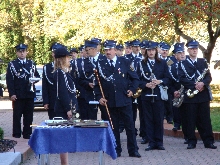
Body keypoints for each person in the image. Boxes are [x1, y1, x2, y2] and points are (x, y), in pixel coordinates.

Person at [94, 40, 141, 158]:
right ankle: (116, 149)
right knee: (113, 127)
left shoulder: (125, 62)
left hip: (125, 99)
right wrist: (99, 97)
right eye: (106, 50)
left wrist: (132, 90)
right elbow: (97, 84)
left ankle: (133, 150)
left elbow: (135, 79)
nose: (108, 52)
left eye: (110, 50)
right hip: (110, 101)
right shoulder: (100, 64)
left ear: (115, 50)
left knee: (130, 126)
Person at [178, 39, 217, 149]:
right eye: (192, 48)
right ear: (188, 50)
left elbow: (209, 77)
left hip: (203, 95)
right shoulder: (182, 63)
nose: (194, 50)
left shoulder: (203, 62)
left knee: (205, 120)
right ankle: (191, 141)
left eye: (196, 48)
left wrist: (203, 84)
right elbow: (181, 78)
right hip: (190, 96)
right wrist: (194, 85)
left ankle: (208, 141)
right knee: (190, 120)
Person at [136, 41, 169, 151]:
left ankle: (159, 142)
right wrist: (146, 84)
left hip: (158, 94)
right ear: (146, 51)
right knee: (148, 119)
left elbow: (168, 78)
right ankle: (151, 142)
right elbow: (137, 80)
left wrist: (159, 81)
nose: (151, 52)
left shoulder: (162, 63)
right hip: (146, 94)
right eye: (149, 50)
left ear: (156, 51)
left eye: (153, 50)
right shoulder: (141, 64)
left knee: (158, 119)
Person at [6, 43, 40, 139]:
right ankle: (16, 134)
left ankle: (27, 133)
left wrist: (35, 79)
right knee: (17, 115)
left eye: (23, 51)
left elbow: (37, 76)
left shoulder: (31, 63)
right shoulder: (12, 64)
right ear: (17, 53)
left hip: (29, 94)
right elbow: (10, 80)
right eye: (20, 51)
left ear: (26, 52)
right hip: (18, 94)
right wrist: (12, 93)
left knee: (29, 116)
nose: (22, 53)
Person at [53, 47, 77, 165]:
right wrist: (68, 109)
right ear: (62, 59)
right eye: (67, 57)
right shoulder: (59, 73)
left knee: (66, 138)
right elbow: (62, 92)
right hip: (63, 110)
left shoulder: (65, 73)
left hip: (68, 108)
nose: (69, 60)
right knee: (63, 138)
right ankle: (64, 163)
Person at [79, 40, 108, 120]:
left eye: (87, 50)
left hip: (103, 94)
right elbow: (80, 79)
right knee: (90, 120)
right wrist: (88, 84)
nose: (86, 52)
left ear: (93, 49)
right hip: (90, 95)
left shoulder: (104, 59)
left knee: (106, 118)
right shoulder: (83, 63)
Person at [42, 42, 63, 119]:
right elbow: (45, 86)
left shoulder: (67, 67)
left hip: (64, 102)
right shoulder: (47, 67)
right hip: (52, 101)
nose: (55, 54)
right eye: (54, 52)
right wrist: (46, 101)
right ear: (52, 54)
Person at [158, 42, 173, 124]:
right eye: (163, 50)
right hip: (159, 84)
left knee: (169, 102)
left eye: (166, 50)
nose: (165, 52)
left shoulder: (170, 61)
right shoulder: (158, 60)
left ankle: (169, 117)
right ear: (160, 50)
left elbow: (172, 72)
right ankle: (162, 116)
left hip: (169, 84)